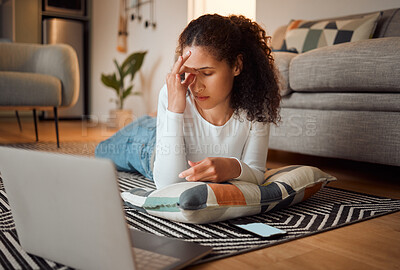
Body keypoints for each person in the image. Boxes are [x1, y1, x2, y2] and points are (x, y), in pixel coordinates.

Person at [95, 14, 281, 189]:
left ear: (237, 66)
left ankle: (154, 119)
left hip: (168, 130)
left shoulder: (257, 104)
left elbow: (257, 174)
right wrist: (174, 110)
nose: (196, 86)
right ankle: (153, 120)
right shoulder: (173, 95)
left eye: (207, 73)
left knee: (154, 124)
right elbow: (168, 185)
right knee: (101, 151)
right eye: (189, 72)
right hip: (149, 147)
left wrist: (232, 167)